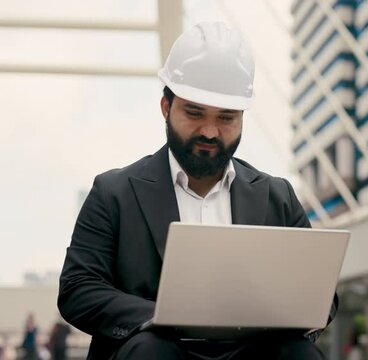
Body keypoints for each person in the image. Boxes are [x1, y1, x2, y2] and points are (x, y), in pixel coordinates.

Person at [57, 21, 337, 360]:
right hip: (153, 348)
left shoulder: (278, 197)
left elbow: (321, 296)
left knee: (299, 355)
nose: (209, 130)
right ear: (166, 107)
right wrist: (161, 319)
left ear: (243, 117)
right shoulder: (113, 192)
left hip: (251, 352)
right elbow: (78, 289)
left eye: (226, 118)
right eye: (194, 112)